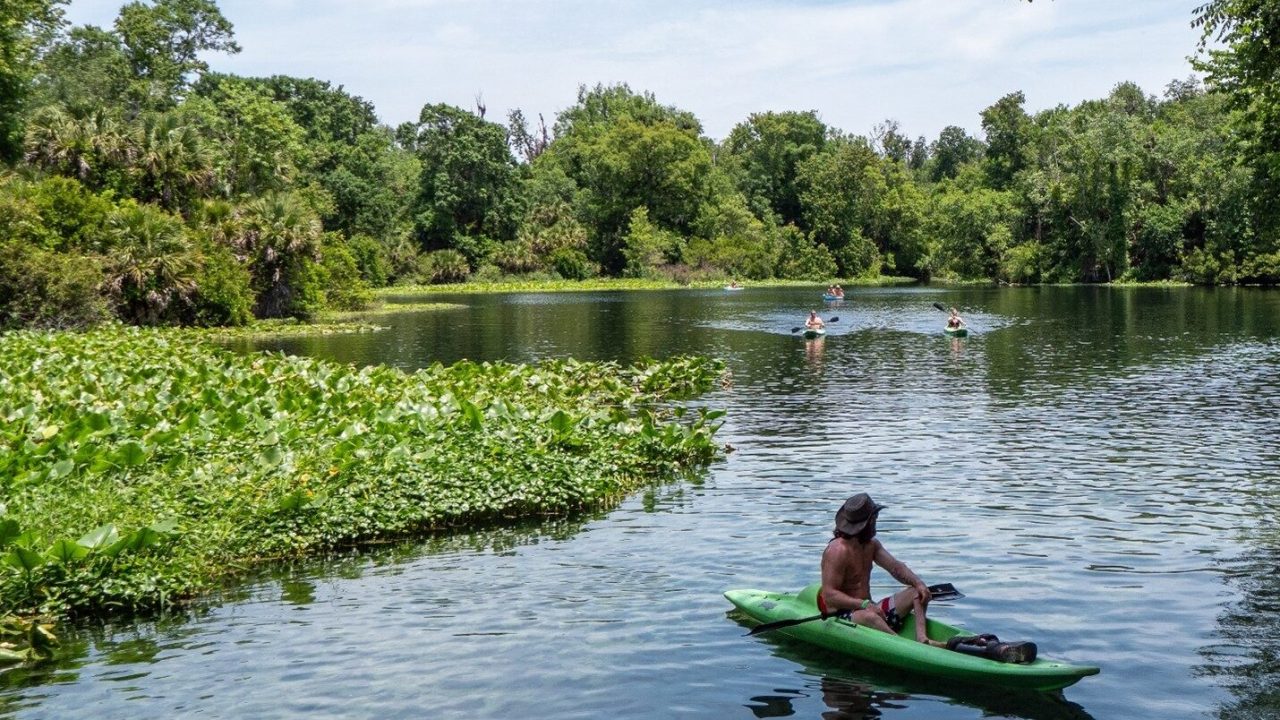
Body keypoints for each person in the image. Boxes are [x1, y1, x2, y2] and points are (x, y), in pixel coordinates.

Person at [818, 493, 944, 647]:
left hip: (870, 608)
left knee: (916, 592)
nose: (875, 523)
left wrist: (918, 583)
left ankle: (922, 638)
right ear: (866, 523)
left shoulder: (871, 545)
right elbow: (829, 595)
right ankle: (903, 646)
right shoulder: (837, 551)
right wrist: (863, 604)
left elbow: (896, 567)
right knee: (870, 617)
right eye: (874, 520)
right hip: (843, 614)